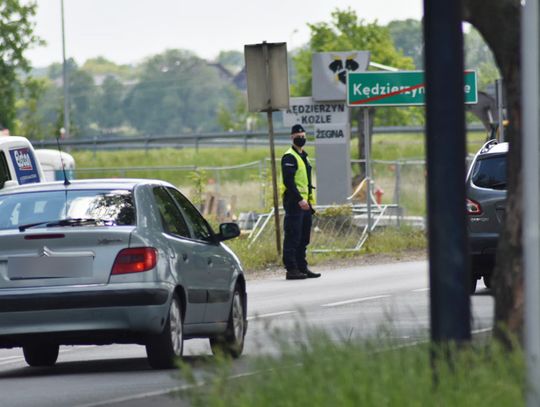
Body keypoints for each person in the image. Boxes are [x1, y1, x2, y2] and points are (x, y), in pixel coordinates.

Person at [281, 124, 321, 280]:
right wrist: (299, 199)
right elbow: (288, 181)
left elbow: (306, 182)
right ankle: (291, 269)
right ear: (292, 137)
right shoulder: (289, 156)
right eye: (298, 136)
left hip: (305, 203)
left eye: (303, 136)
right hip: (294, 201)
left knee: (304, 237)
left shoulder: (304, 156)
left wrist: (309, 202)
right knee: (293, 235)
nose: (301, 138)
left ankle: (302, 267)